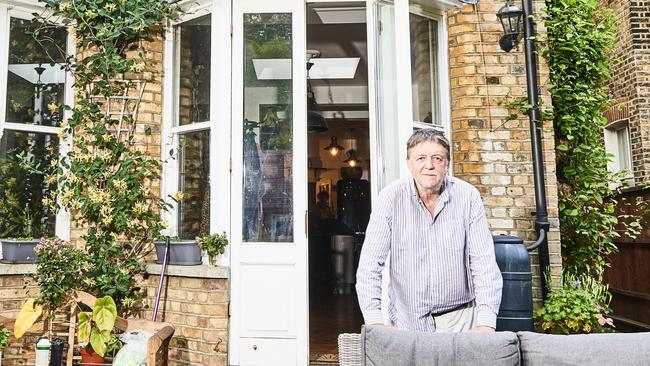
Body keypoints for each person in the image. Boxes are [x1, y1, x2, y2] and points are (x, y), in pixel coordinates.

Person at [356, 129, 502, 333]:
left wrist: (486, 322)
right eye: (421, 158)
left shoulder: (468, 197)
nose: (429, 165)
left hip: (459, 319)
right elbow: (370, 264)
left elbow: (483, 262)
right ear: (409, 163)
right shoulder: (390, 197)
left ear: (447, 164)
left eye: (437, 158)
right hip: (407, 321)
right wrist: (373, 321)